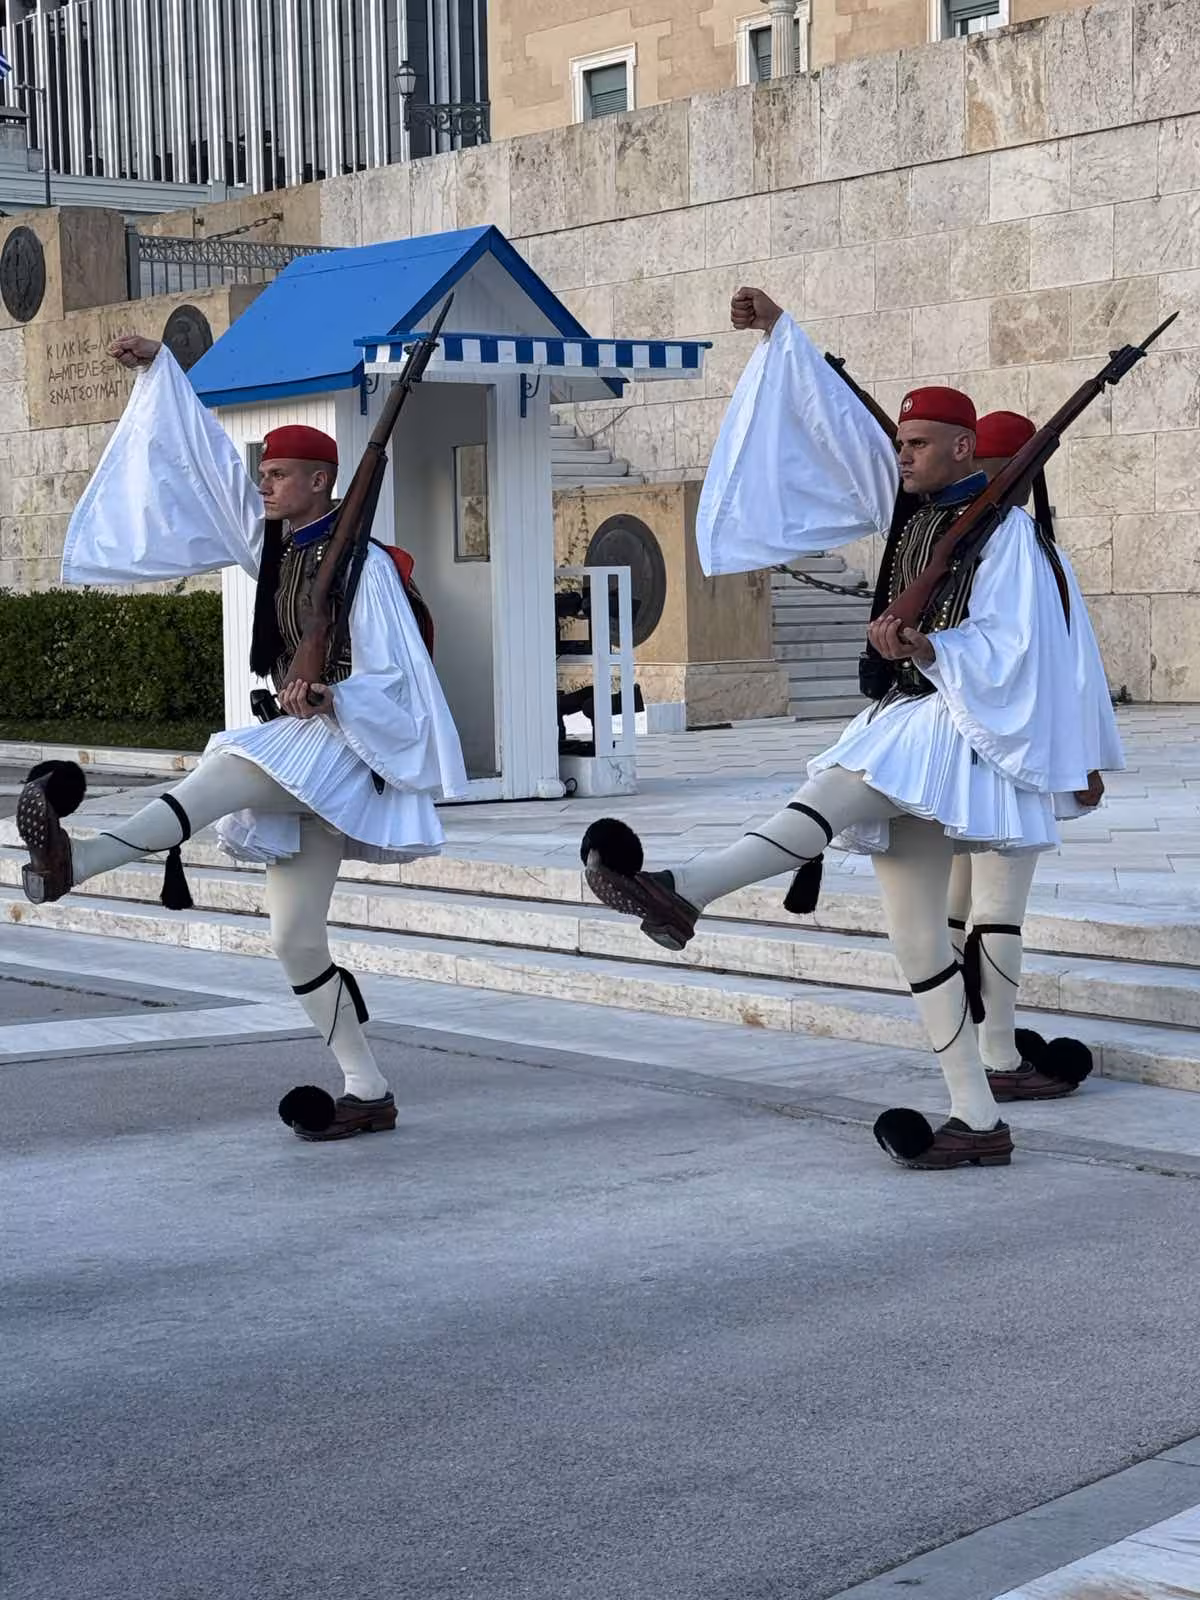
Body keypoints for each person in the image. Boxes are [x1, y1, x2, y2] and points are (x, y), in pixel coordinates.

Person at [582, 287, 1100, 1172]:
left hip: (950, 728)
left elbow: (1023, 648)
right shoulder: (913, 510)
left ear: (965, 450)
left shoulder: (1009, 539)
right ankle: (977, 1118)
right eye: (900, 444)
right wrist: (784, 331)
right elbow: (833, 425)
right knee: (916, 941)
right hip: (906, 715)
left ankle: (687, 889)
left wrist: (933, 647)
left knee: (825, 795)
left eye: (918, 445)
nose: (901, 456)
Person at [16, 334, 467, 1142]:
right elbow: (202, 466)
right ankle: (370, 1089)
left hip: (346, 748)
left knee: (226, 767)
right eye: (262, 476)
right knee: (295, 939)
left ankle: (75, 861)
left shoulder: (364, 564)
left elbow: (402, 676)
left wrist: (335, 692)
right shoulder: (278, 542)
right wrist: (161, 368)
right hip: (310, 753)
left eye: (279, 475)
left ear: (321, 482)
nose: (263, 485)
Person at [945, 410, 1124, 1100]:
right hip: (1008, 753)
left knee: (961, 906)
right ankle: (996, 1056)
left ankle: (965, 1043)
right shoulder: (1019, 546)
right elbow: (1059, 666)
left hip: (961, 751)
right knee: (996, 908)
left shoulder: (966, 541)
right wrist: (1081, 757)